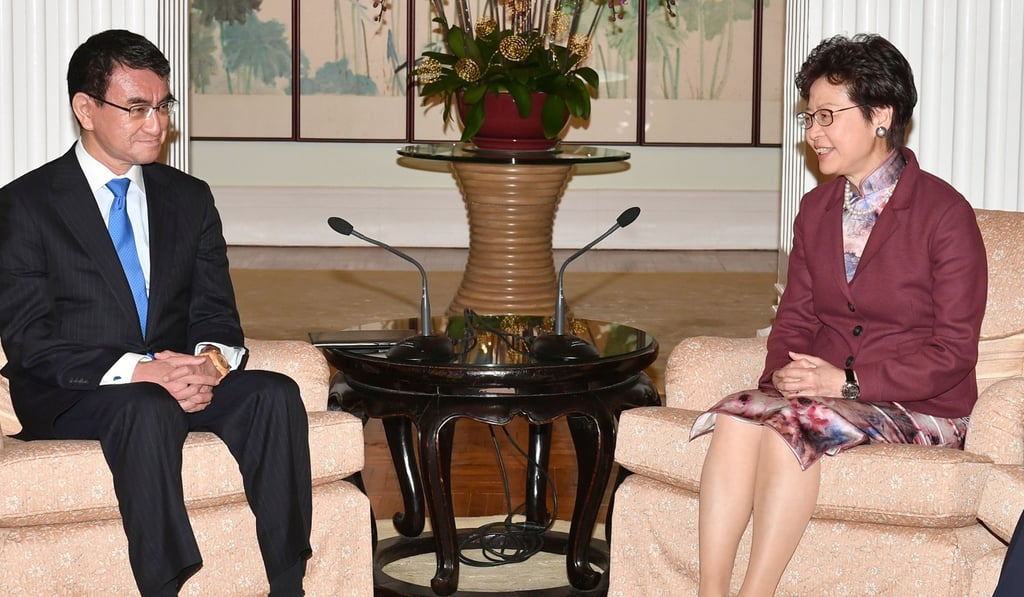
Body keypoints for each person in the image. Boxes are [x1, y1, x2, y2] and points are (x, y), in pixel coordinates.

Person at [0, 30, 312, 596]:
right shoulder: (25, 204)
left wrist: (209, 366)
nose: (157, 123)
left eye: (163, 106)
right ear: (86, 109)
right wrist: (144, 372)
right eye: (137, 108)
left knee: (274, 393)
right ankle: (164, 584)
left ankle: (289, 583)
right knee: (146, 407)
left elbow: (217, 314)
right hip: (73, 392)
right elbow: (30, 340)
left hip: (173, 381)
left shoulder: (188, 198)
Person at [688, 34, 987, 596]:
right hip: (831, 393)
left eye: (827, 115)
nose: (813, 133)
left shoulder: (945, 214)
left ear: (881, 115)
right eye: (809, 117)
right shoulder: (816, 208)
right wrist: (781, 374)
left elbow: (953, 353)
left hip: (923, 405)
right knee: (736, 417)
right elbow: (795, 319)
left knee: (786, 430)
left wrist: (847, 382)